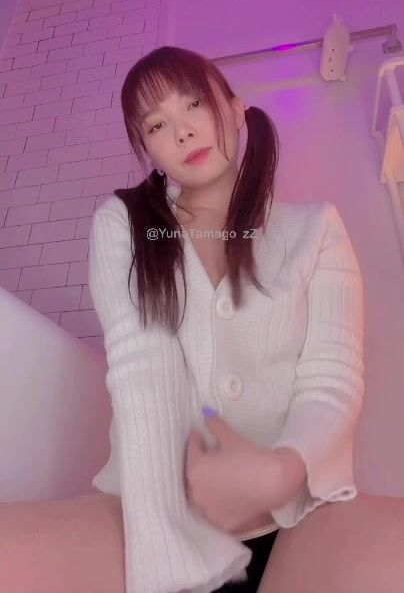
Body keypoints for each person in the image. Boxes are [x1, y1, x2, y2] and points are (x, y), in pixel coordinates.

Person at [88, 45, 365, 593]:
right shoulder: (123, 224)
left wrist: (283, 471)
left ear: (236, 108)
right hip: (161, 521)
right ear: (148, 150)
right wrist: (168, 557)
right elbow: (141, 373)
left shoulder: (317, 229)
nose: (183, 132)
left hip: (290, 519)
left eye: (194, 103)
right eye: (156, 125)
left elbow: (332, 375)